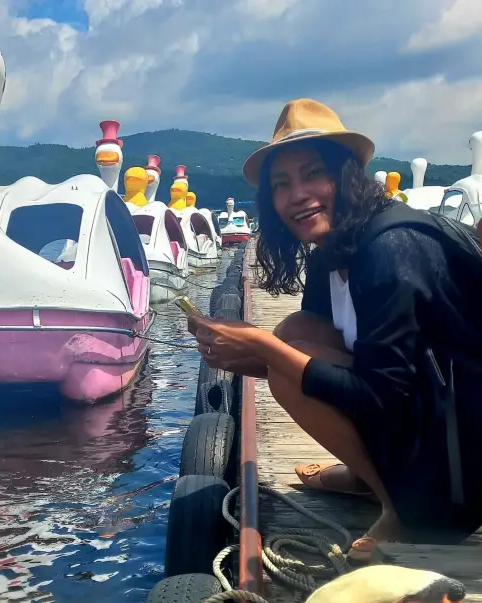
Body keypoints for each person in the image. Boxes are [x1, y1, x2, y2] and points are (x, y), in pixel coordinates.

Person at [188, 98, 482, 562]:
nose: (297, 194)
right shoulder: (333, 250)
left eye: (312, 174)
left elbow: (380, 394)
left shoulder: (390, 250)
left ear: (345, 176)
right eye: (282, 184)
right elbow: (325, 357)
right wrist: (248, 355)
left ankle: (402, 511)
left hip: (460, 476)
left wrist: (264, 348)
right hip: (426, 422)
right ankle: (369, 478)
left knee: (285, 352)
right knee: (297, 331)